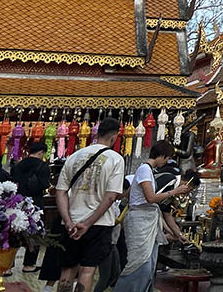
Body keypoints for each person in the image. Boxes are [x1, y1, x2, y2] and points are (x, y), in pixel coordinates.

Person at [55, 117, 126, 292]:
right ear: (114, 136)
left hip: (71, 221)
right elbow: (110, 197)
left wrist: (68, 220)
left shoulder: (74, 156)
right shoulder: (115, 159)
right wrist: (87, 224)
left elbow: (60, 191)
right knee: (87, 271)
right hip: (98, 224)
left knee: (67, 269)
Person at [114, 140, 190, 292]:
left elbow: (135, 197)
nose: (167, 161)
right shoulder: (144, 170)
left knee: (149, 264)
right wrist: (175, 191)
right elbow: (150, 198)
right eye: (167, 158)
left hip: (148, 219)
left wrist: (176, 233)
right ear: (161, 156)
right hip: (140, 221)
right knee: (139, 264)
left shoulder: (148, 171)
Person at [12, 141, 52, 272]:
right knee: (34, 232)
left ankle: (8, 265)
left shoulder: (19, 165)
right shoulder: (43, 166)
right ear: (41, 152)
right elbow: (44, 185)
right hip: (35, 202)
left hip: (18, 201)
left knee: (14, 231)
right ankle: (29, 264)